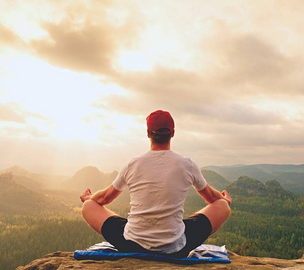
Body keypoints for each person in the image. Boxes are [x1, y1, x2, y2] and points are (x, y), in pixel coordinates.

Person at [80, 110, 231, 258]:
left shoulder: (133, 164)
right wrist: (224, 200)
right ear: (172, 133)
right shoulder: (187, 164)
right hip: (175, 248)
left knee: (88, 206)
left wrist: (89, 198)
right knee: (222, 206)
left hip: (131, 244)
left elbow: (105, 198)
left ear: (148, 133)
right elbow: (211, 198)